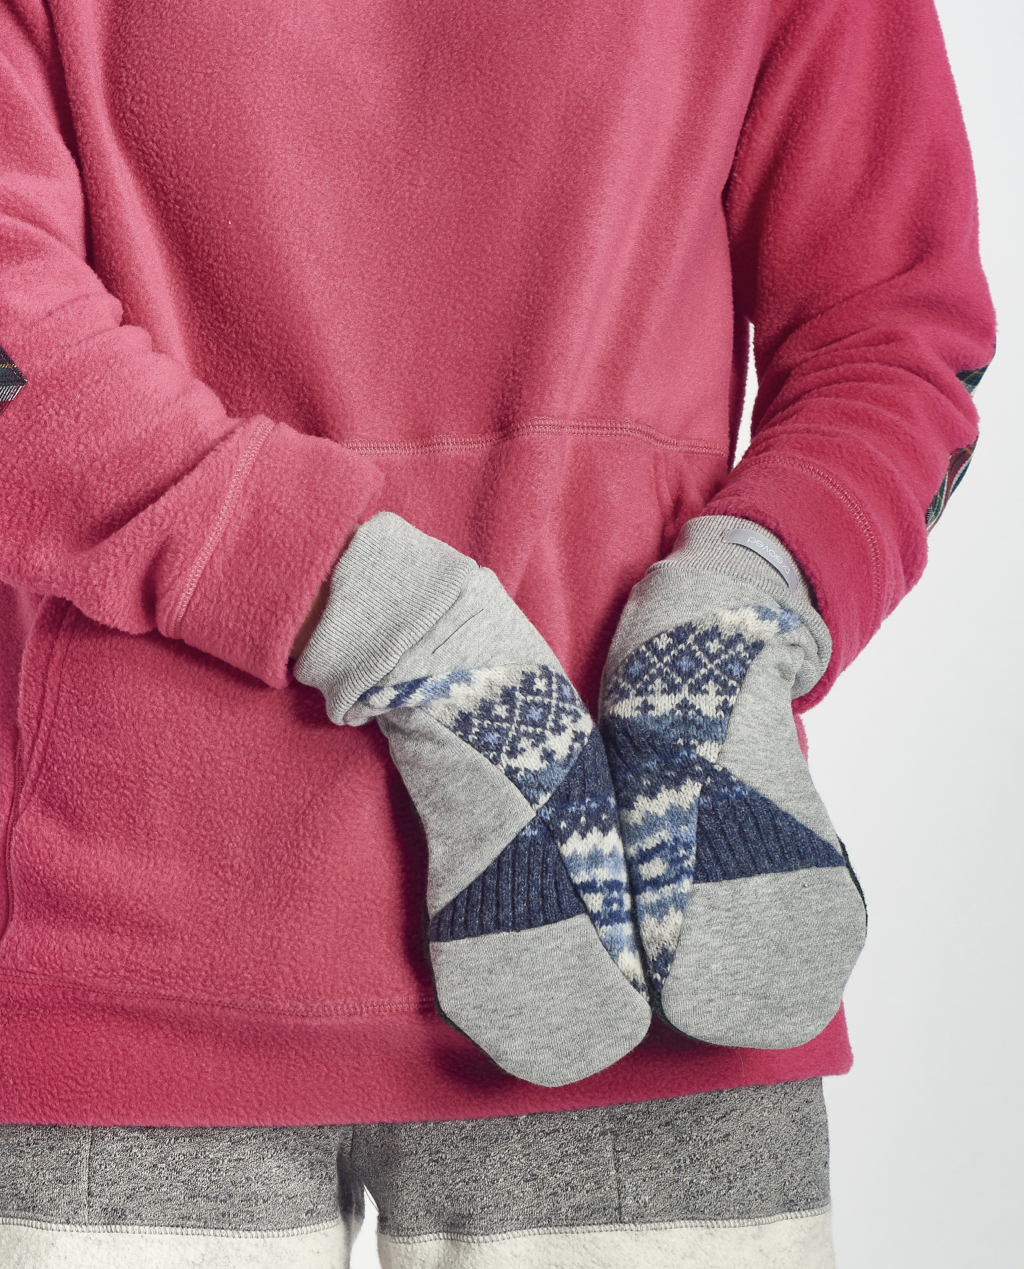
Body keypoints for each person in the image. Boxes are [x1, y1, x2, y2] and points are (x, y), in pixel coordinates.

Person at [0, 0, 994, 1265]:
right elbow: (900, 343)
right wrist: (744, 595)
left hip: (171, 920)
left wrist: (369, 600)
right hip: (648, 900)